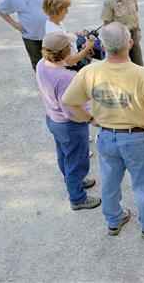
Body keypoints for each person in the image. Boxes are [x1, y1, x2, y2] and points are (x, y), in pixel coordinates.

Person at [62, 22, 144, 239]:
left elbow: (68, 101)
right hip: (137, 138)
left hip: (106, 136)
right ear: (130, 43)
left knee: (110, 182)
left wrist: (90, 119)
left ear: (102, 46)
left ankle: (114, 221)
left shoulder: (89, 72)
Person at [36, 31, 100, 210]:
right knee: (77, 162)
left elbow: (68, 61)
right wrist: (90, 119)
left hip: (53, 119)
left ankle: (74, 181)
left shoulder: (43, 64)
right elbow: (71, 109)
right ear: (64, 51)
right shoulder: (64, 78)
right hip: (70, 126)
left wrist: (87, 47)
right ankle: (77, 198)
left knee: (64, 156)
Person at [0, 0, 49, 71]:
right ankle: (43, 84)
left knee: (53, 62)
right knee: (38, 64)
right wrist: (15, 24)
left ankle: (54, 83)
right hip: (31, 37)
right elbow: (0, 9)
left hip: (48, 34)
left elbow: (55, 6)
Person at [101, 0, 143, 66]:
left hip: (133, 36)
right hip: (119, 39)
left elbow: (134, 16)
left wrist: (138, 31)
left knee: (138, 65)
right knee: (120, 66)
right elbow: (107, 23)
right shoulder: (110, 0)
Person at [42, 0, 94, 68]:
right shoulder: (54, 31)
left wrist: (77, 33)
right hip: (71, 67)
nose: (67, 12)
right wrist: (87, 48)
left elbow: (64, 38)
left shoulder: (55, 23)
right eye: (65, 9)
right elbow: (69, 61)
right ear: (58, 10)